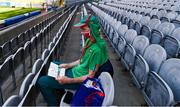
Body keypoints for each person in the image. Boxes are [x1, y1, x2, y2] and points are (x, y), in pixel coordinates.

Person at [37, 15, 113, 106]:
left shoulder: (97, 50)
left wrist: (68, 80)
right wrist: (68, 65)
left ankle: (55, 104)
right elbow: (83, 60)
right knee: (55, 64)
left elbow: (90, 76)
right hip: (77, 71)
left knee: (42, 81)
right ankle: (59, 92)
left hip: (79, 80)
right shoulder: (91, 40)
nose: (82, 32)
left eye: (84, 29)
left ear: (92, 29)